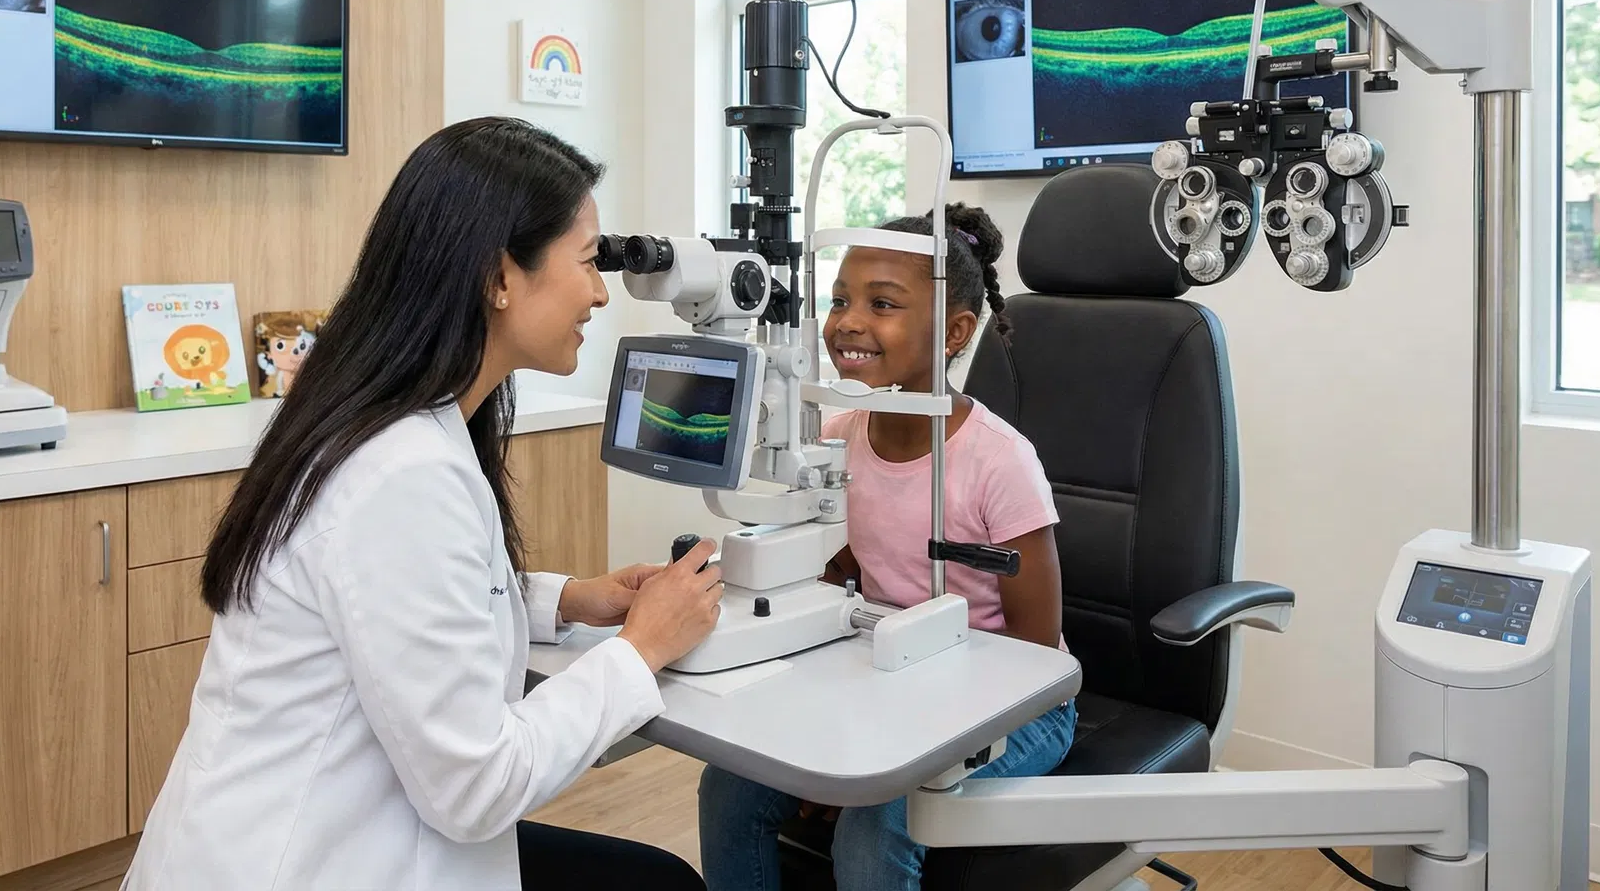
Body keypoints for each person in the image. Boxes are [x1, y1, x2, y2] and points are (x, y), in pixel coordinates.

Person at [125, 117, 722, 890]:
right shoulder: (400, 474)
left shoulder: (389, 418)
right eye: (585, 261)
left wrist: (567, 601)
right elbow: (479, 789)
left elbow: (393, 602)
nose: (601, 291)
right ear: (498, 277)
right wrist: (642, 648)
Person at [697, 204, 1076, 891]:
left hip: (1017, 707)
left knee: (873, 828)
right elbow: (845, 566)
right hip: (889, 679)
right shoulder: (842, 437)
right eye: (841, 300)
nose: (849, 320)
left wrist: (871, 757)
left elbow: (1035, 655)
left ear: (956, 332)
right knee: (729, 786)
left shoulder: (1000, 463)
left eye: (882, 304)